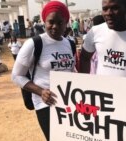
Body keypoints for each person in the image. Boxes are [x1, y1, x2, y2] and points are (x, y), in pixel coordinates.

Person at [11, 1, 75, 140]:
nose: (55, 27)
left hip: (69, 102)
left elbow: (71, 70)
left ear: (66, 22)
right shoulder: (34, 43)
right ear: (44, 21)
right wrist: (41, 92)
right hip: (46, 104)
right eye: (51, 22)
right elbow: (16, 76)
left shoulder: (70, 44)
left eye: (60, 22)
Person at [79, 0, 126, 77]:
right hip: (99, 88)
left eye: (115, 8)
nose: (108, 13)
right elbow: (84, 58)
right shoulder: (95, 31)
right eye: (105, 9)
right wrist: (85, 82)